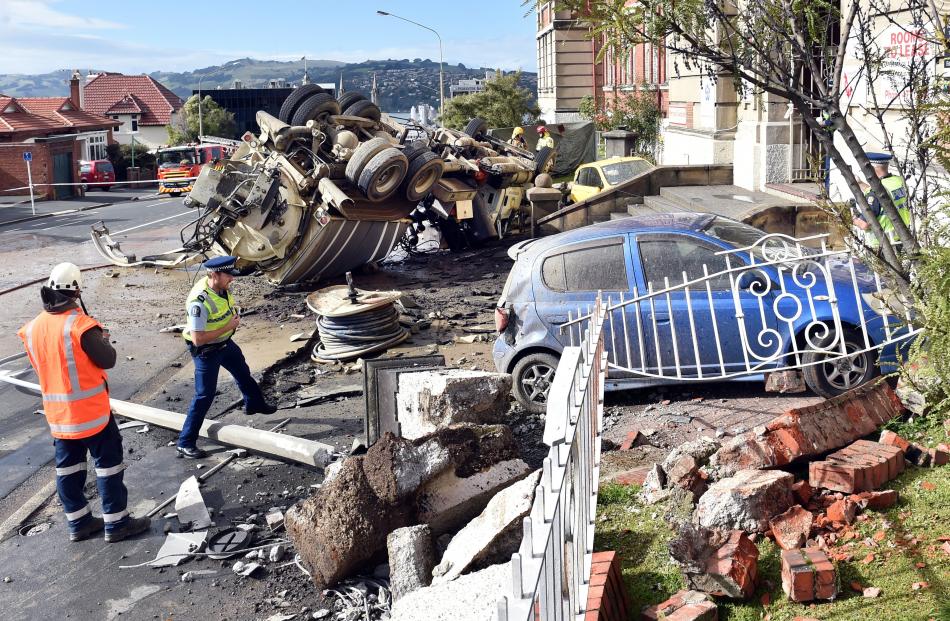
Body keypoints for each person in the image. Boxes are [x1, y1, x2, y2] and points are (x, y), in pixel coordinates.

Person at [17, 263, 150, 543]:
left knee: (68, 471)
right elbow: (108, 360)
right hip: (91, 415)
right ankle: (117, 525)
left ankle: (79, 524)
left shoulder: (32, 329)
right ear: (76, 291)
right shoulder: (80, 326)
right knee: (108, 467)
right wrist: (104, 339)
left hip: (59, 416)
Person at [178, 256, 276, 459]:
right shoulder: (199, 302)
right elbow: (198, 339)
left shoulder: (221, 288)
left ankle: (254, 404)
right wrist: (229, 326)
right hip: (207, 352)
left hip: (225, 344)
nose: (232, 278)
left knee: (243, 373)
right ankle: (185, 442)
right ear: (214, 275)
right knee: (204, 395)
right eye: (228, 275)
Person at [852, 152, 911, 249]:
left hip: (883, 245)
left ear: (870, 168)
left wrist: (853, 218)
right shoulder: (899, 181)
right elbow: (882, 195)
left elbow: (864, 225)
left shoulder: (875, 191)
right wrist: (860, 183)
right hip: (903, 238)